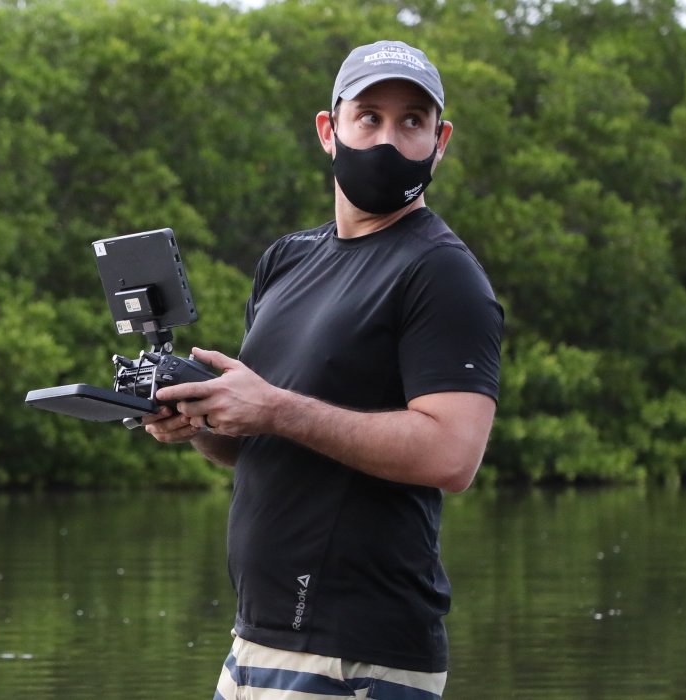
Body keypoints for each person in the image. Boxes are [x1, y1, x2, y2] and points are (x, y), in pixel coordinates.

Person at [143, 39, 503, 699]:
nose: (389, 139)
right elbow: (251, 445)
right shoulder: (288, 259)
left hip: (356, 659)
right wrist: (197, 419)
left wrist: (275, 407)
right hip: (252, 646)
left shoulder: (441, 273)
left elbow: (453, 455)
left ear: (440, 139)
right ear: (328, 130)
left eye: (412, 122)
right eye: (369, 117)